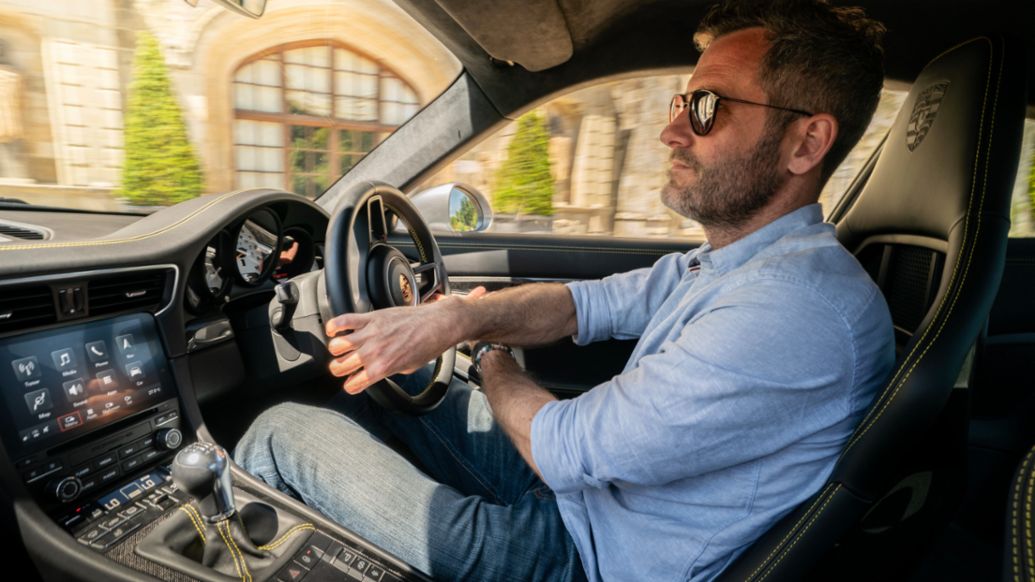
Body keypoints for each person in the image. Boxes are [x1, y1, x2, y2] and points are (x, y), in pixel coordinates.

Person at [233, 0, 895, 579]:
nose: (671, 130)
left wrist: (486, 355)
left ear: (805, 142)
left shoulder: (789, 309)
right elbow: (584, 305)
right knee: (398, 395)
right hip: (595, 501)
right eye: (678, 104)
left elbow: (565, 449)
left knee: (279, 431)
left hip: (586, 558)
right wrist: (459, 321)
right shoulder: (738, 262)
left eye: (706, 107)